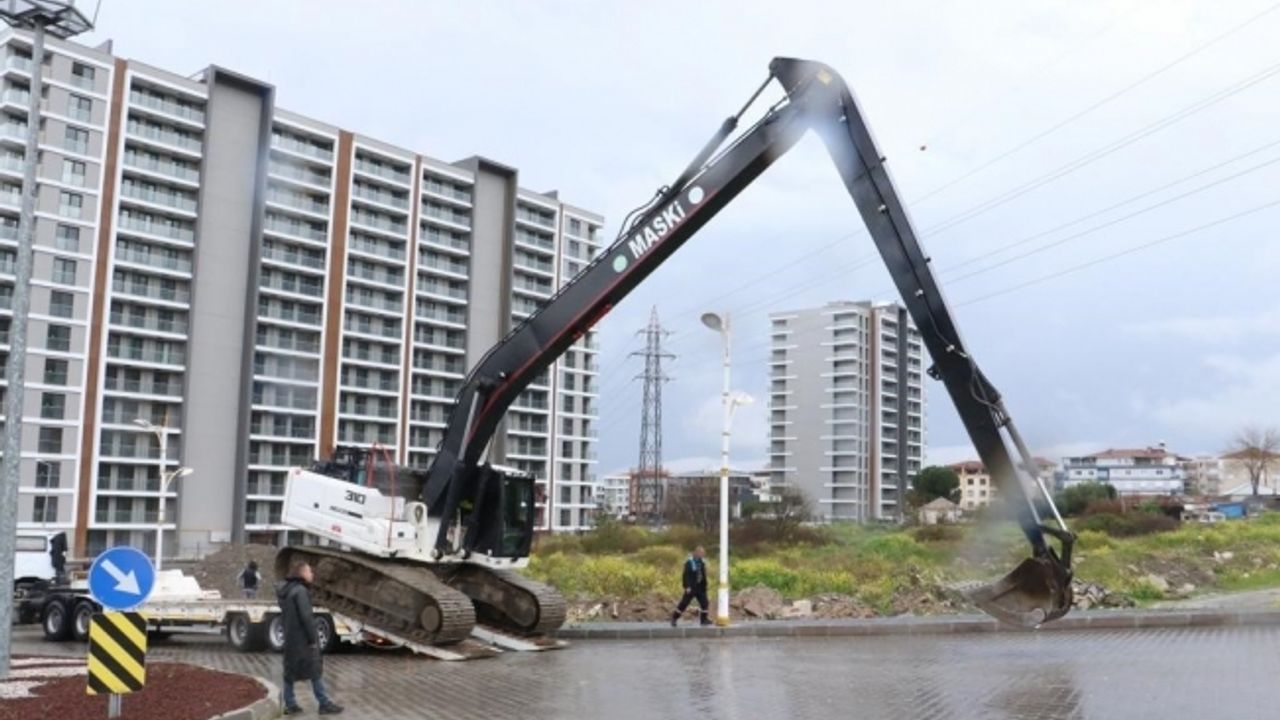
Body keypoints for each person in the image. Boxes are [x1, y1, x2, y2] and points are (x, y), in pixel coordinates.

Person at [278, 560, 343, 716]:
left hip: (290, 637)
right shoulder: (301, 591)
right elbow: (306, 616)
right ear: (302, 573)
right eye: (309, 571)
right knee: (314, 670)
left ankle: (290, 703)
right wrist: (313, 639)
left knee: (290, 671)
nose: (312, 574)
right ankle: (324, 703)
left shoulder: (286, 590)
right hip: (303, 639)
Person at [671, 545, 712, 627]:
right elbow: (685, 575)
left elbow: (703, 574)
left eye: (703, 553)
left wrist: (705, 584)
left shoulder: (702, 562)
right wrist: (687, 586)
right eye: (701, 553)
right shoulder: (689, 562)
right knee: (684, 603)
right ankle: (674, 618)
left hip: (700, 587)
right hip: (691, 587)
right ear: (696, 553)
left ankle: (704, 620)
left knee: (704, 603)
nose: (703, 554)